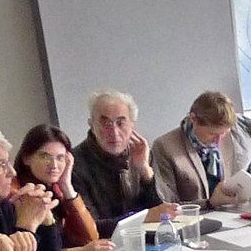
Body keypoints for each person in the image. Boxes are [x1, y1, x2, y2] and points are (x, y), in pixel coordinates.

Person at [70, 88, 177, 236]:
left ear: (132, 125)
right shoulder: (74, 165)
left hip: (148, 243)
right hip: (104, 250)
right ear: (91, 125)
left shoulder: (142, 153)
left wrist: (145, 171)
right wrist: (144, 218)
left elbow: (167, 208)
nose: (114, 132)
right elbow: (91, 227)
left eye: (120, 123)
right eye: (105, 124)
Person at [13, 124, 113, 251]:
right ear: (26, 158)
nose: (54, 165)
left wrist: (66, 186)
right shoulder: (20, 194)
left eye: (60, 158)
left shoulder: (55, 189)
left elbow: (90, 238)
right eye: (44, 156)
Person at [150, 90, 251, 208]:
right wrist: (210, 203)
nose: (219, 140)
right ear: (193, 119)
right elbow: (167, 205)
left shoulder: (235, 135)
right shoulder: (165, 147)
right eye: (212, 134)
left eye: (224, 133)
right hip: (193, 221)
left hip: (234, 215)